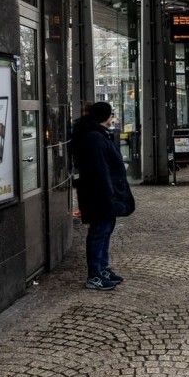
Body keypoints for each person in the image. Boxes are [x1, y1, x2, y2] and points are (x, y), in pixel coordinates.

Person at [71, 101, 134, 291]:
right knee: (99, 232)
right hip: (100, 194)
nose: (112, 117)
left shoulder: (96, 134)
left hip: (103, 193)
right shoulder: (94, 138)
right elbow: (100, 171)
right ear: (105, 117)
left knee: (105, 231)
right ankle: (95, 275)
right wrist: (109, 196)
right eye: (111, 114)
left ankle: (103, 269)